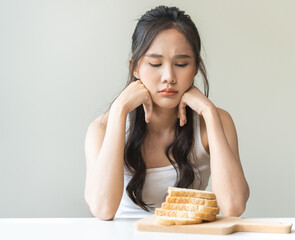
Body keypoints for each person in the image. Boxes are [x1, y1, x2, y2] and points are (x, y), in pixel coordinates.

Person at [84, 5, 250, 220]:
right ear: (135, 67)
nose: (168, 76)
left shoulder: (216, 121)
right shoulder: (102, 128)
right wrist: (119, 109)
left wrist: (209, 111)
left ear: (196, 69)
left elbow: (233, 206)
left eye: (181, 64)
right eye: (155, 64)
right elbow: (102, 209)